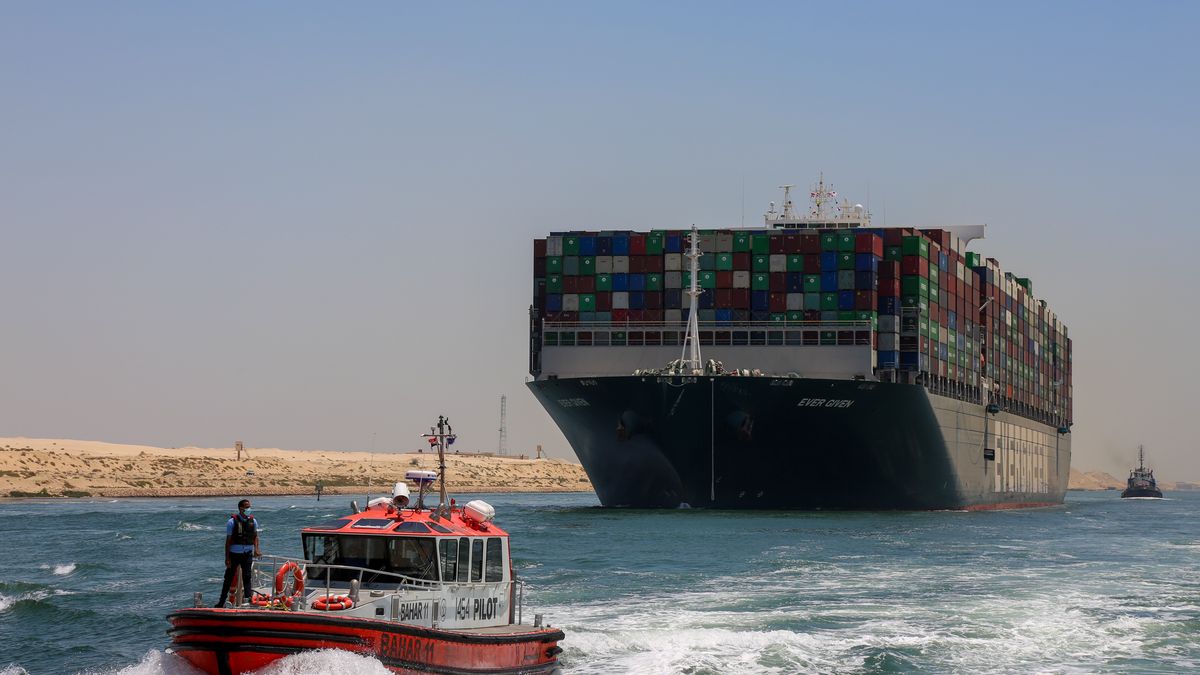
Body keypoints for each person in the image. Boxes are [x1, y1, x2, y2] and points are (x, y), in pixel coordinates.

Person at [215, 498, 261, 607]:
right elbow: (228, 541)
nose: (249, 509)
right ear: (241, 508)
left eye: (249, 507)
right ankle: (221, 601)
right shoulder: (232, 522)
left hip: (247, 553)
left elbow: (255, 537)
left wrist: (257, 550)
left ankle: (248, 600)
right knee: (228, 578)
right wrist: (227, 558)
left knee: (247, 576)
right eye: (246, 507)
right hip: (234, 554)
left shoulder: (253, 521)